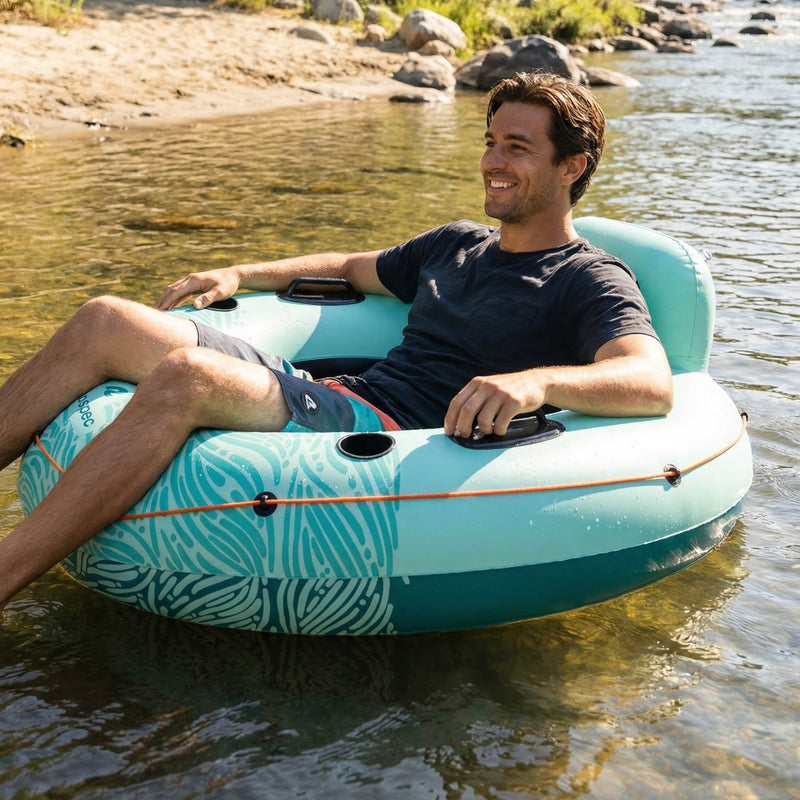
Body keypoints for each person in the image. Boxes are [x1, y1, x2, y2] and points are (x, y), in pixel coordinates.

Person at [0, 72, 673, 614]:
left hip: (390, 431)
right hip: (338, 392)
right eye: (492, 140)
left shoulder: (587, 277)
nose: (492, 161)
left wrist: (537, 382)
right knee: (103, 319)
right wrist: (240, 272)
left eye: (517, 147)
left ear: (572, 166)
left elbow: (648, 381)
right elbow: (351, 266)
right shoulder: (456, 243)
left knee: (188, 375)